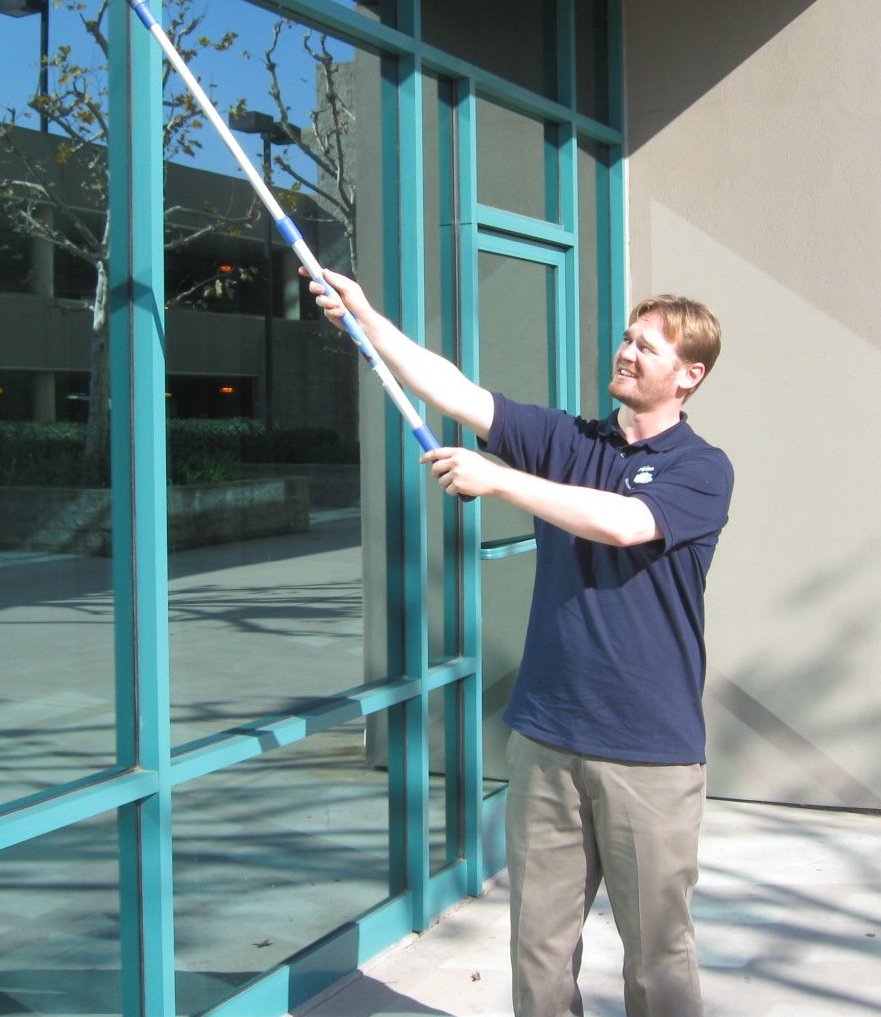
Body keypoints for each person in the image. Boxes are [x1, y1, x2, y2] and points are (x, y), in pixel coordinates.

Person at [309, 269, 732, 1017]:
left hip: (649, 751)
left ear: (688, 376)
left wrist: (500, 482)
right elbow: (455, 391)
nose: (626, 352)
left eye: (647, 347)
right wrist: (365, 318)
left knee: (657, 959)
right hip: (546, 737)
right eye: (627, 338)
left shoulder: (701, 469)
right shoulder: (570, 441)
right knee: (538, 950)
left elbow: (625, 523)